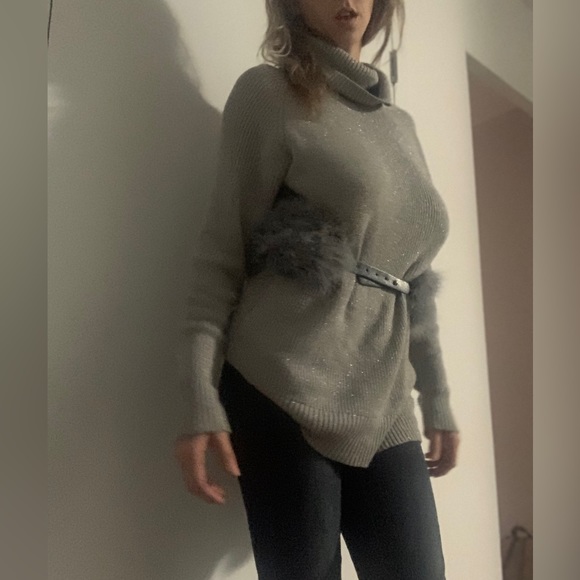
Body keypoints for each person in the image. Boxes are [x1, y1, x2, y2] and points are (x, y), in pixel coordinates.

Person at [175, 1, 460, 578]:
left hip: (384, 395)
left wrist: (436, 395)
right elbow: (222, 254)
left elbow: (415, 282)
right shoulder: (268, 93)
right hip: (283, 384)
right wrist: (198, 395)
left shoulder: (400, 125)